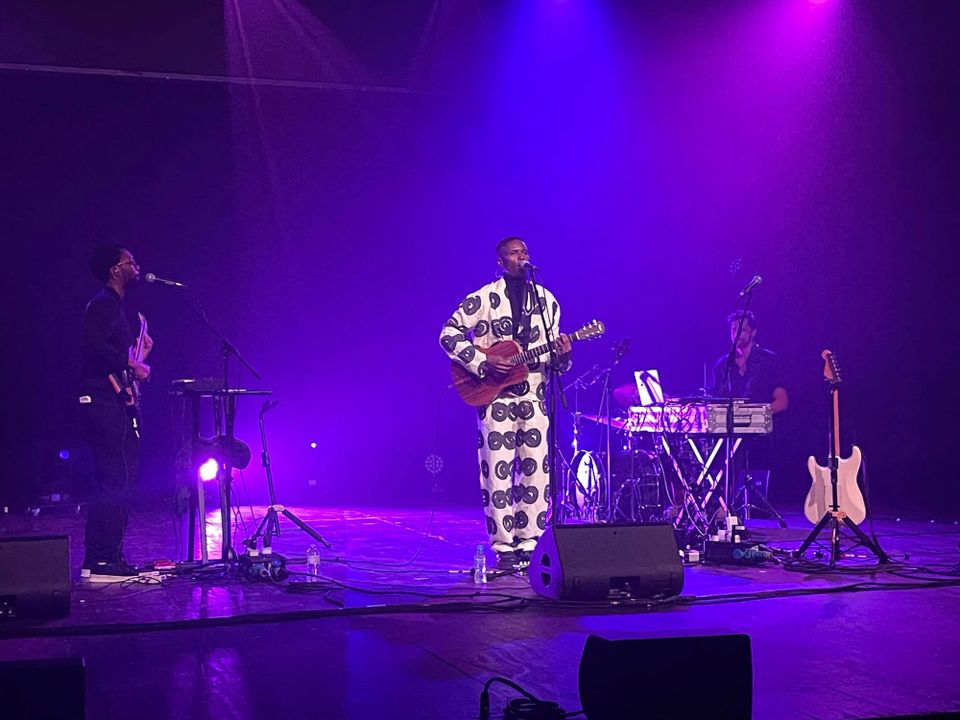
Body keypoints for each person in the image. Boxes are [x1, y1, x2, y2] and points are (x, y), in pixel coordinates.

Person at [440, 237, 572, 570]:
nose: (522, 257)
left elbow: (554, 359)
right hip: (495, 395)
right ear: (501, 262)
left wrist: (564, 355)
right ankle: (503, 544)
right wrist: (482, 363)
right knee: (497, 472)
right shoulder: (482, 298)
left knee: (536, 471)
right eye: (515, 253)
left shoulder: (547, 302)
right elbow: (448, 334)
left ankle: (531, 540)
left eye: (525, 252)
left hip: (535, 396)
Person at [78, 245, 153, 581]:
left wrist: (138, 355)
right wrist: (129, 363)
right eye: (130, 262)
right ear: (115, 270)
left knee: (116, 479)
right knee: (115, 480)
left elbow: (110, 355)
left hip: (111, 401)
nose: (137, 266)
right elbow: (93, 348)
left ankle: (102, 559)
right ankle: (104, 560)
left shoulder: (112, 307)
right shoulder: (103, 304)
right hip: (101, 404)